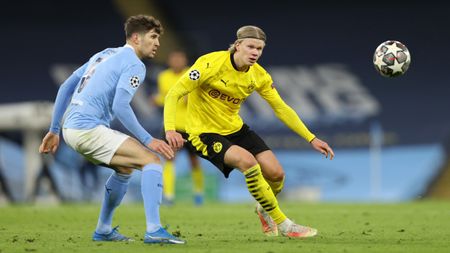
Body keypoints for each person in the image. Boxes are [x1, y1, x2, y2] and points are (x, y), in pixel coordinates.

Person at [164, 25, 334, 238]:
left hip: (236, 129)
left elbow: (281, 108)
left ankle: (263, 209)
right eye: (250, 46)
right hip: (204, 133)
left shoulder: (258, 75)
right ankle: (285, 224)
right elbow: (174, 93)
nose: (255, 52)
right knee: (248, 162)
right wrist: (170, 129)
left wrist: (311, 138)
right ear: (237, 46)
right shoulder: (210, 63)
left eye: (260, 49)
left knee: (276, 174)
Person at [38, 15, 185, 244]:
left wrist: (54, 129)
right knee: (151, 160)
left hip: (71, 129)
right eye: (153, 37)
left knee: (124, 169)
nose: (157, 43)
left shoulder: (104, 54)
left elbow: (67, 86)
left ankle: (103, 230)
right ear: (136, 38)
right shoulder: (135, 64)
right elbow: (120, 105)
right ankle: (154, 229)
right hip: (88, 128)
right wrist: (148, 139)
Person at [152, 50, 204, 206]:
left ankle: (199, 193)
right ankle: (168, 195)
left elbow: (193, 97)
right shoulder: (163, 77)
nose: (177, 62)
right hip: (172, 125)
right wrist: (158, 99)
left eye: (180, 59)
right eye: (174, 59)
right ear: (169, 61)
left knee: (194, 160)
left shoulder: (192, 73)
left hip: (191, 126)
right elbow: (167, 98)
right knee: (169, 158)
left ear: (185, 60)